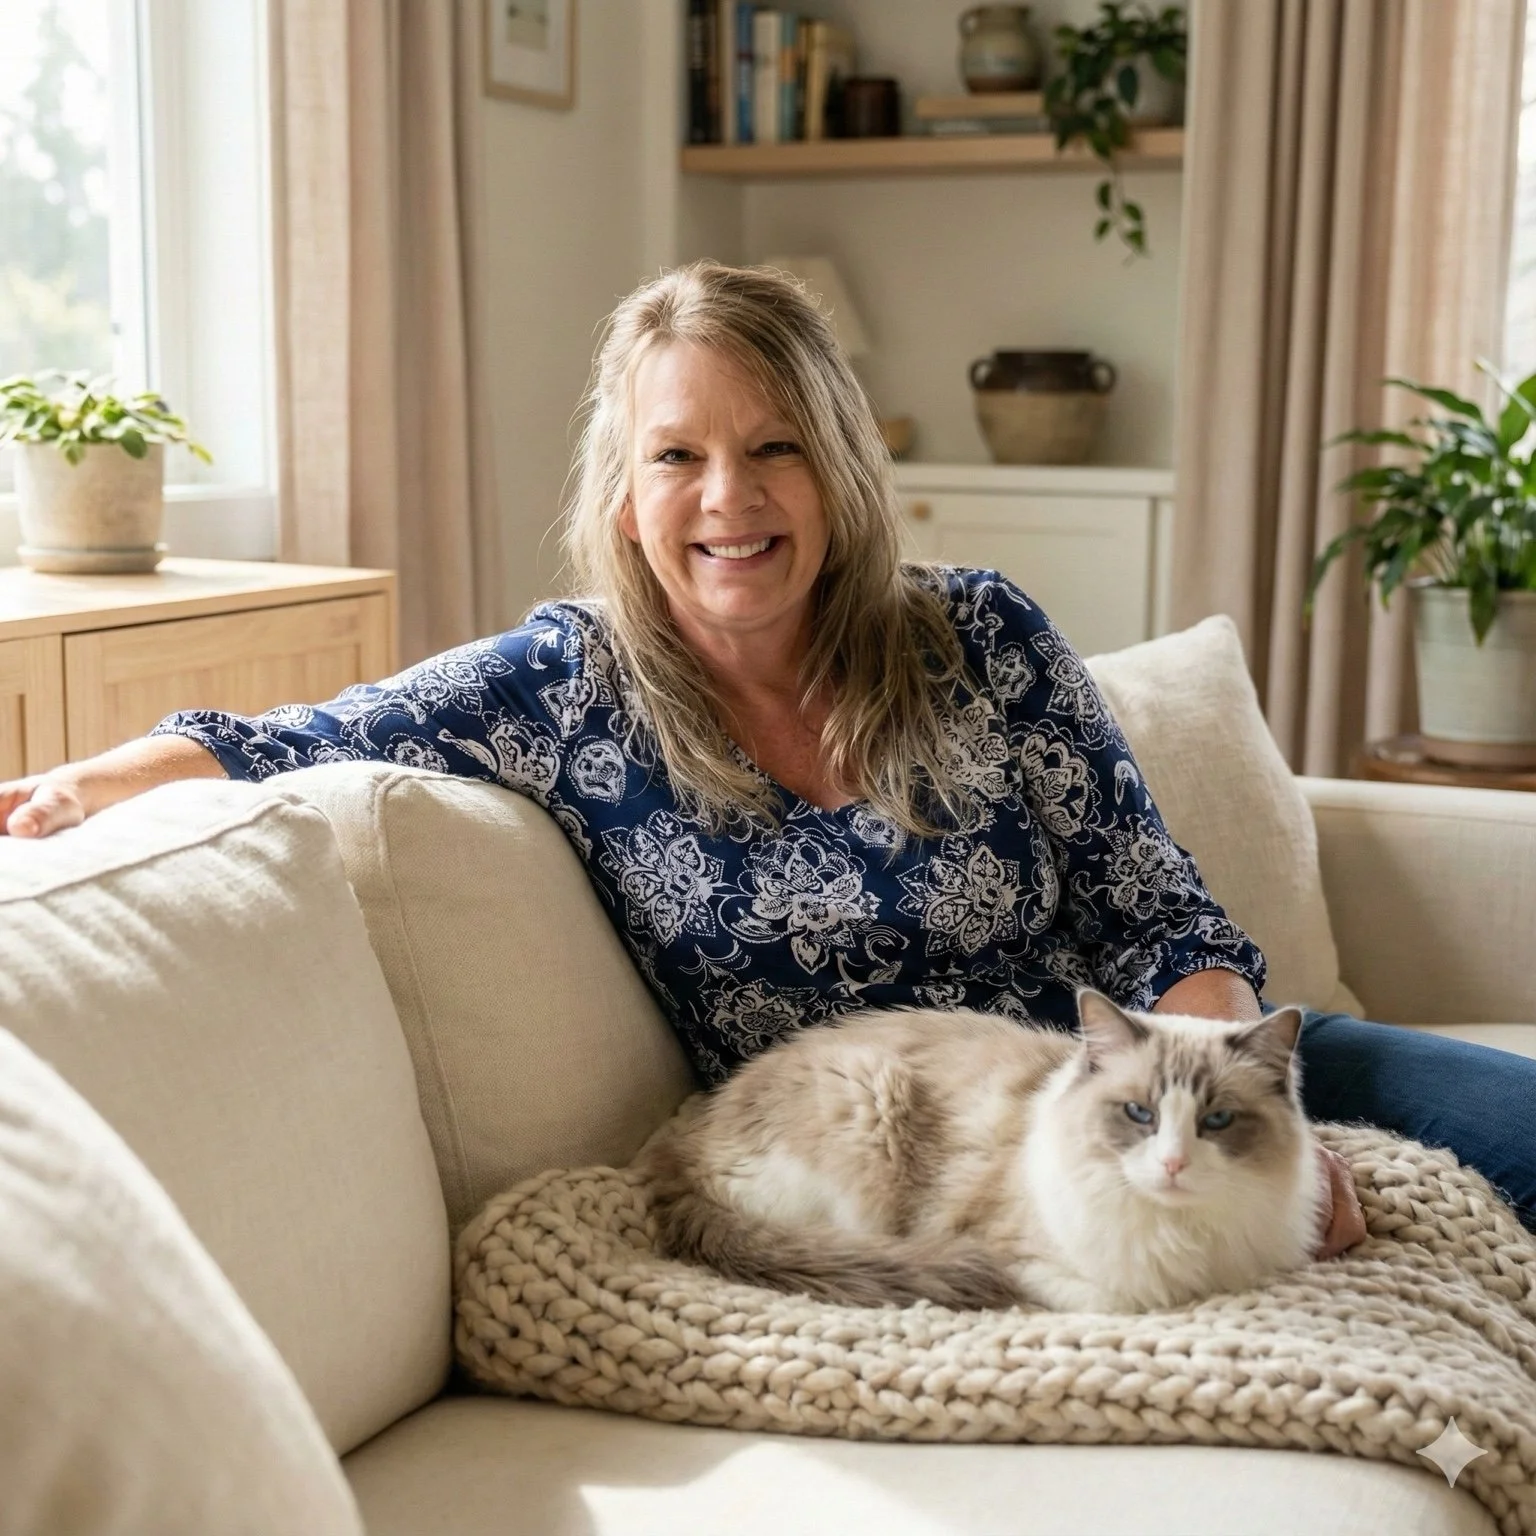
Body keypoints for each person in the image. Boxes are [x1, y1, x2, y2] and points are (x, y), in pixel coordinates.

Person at [3, 262, 1531, 1253]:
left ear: (841, 472)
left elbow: (1162, 917)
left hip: (1169, 1112)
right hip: (960, 1183)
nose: (728, 498)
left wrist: (1248, 1116)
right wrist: (83, 786)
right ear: (626, 497)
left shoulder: (981, 635)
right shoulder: (567, 688)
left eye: (774, 447)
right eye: (678, 455)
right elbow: (291, 736)